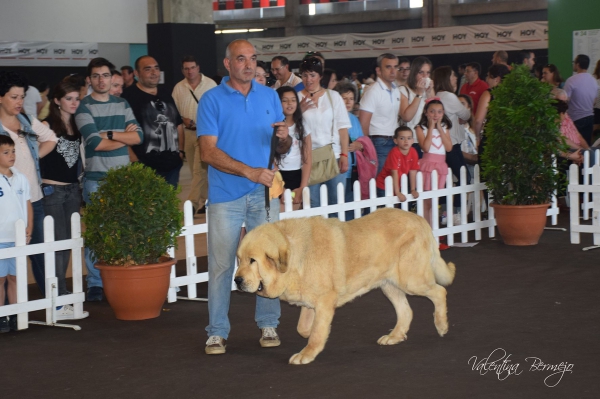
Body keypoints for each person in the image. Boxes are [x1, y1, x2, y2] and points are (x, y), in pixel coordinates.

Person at [197, 39, 292, 355]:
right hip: (226, 195)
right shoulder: (211, 100)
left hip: (264, 194)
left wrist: (284, 139)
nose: (249, 64)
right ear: (228, 64)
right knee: (223, 265)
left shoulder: (269, 96)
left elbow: (279, 148)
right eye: (241, 59)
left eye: (253, 58)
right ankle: (217, 331)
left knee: (268, 261)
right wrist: (250, 171)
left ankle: (268, 324)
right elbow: (207, 152)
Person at [75, 58, 143, 302]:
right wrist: (125, 137)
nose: (101, 80)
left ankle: (121, 276)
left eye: (105, 75)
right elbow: (95, 143)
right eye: (96, 76)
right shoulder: (84, 108)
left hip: (123, 179)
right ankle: (95, 283)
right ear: (89, 80)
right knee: (97, 234)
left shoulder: (122, 103)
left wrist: (111, 134)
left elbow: (139, 138)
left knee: (124, 231)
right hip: (96, 179)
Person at [0, 71, 58, 296]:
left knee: (42, 255)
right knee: (6, 262)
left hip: (34, 200)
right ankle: (8, 313)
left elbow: (51, 138)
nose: (19, 102)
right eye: (14, 97)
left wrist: (32, 160)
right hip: (6, 205)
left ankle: (54, 304)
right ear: (1, 98)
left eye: (22, 97)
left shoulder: (26, 120)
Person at [39, 80, 84, 302]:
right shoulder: (46, 126)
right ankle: (58, 293)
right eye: (69, 98)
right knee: (57, 242)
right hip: (52, 191)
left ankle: (62, 292)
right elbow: (33, 155)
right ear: (57, 101)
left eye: (77, 98)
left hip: (72, 190)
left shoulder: (77, 126)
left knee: (68, 242)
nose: (74, 102)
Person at [298, 57, 351, 214]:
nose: (309, 79)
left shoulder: (333, 96)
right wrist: (298, 112)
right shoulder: (296, 98)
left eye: (313, 75)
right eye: (305, 75)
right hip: (308, 159)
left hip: (333, 155)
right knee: (313, 205)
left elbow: (343, 128)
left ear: (320, 76)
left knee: (337, 203)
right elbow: (290, 128)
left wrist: (344, 155)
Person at [122, 56, 184, 188]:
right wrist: (134, 161)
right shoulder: (128, 97)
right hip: (145, 167)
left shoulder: (166, 92)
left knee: (169, 206)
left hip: (172, 166)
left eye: (156, 68)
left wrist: (181, 151)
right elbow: (122, 132)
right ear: (137, 73)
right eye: (148, 69)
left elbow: (178, 123)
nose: (154, 72)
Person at [172, 55, 217, 214]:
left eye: (192, 67)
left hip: (206, 133)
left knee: (199, 169)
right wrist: (182, 119)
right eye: (186, 68)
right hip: (187, 134)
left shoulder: (210, 85)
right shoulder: (179, 88)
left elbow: (217, 109)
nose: (190, 71)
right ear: (182, 70)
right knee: (195, 170)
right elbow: (173, 112)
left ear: (198, 68)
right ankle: (205, 201)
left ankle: (191, 203)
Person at [0, 135, 33, 333]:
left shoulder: (20, 177)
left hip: (18, 238)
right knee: (0, 279)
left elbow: (27, 203)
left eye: (13, 151)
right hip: (1, 238)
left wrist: (30, 227)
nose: (11, 155)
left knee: (15, 277)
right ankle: (2, 315)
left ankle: (15, 314)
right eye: (6, 152)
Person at [359, 53, 400, 175]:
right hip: (379, 142)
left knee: (393, 183)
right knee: (382, 183)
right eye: (388, 67)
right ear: (378, 70)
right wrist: (368, 148)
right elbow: (363, 124)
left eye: (395, 67)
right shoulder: (373, 91)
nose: (393, 71)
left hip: (395, 140)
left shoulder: (396, 89)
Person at [415, 98, 453, 226]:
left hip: (440, 166)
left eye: (439, 112)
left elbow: (449, 147)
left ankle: (433, 227)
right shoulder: (421, 128)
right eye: (432, 111)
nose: (436, 115)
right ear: (426, 112)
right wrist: (431, 128)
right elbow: (425, 147)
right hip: (428, 165)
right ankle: (427, 228)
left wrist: (440, 129)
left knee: (435, 200)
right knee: (426, 200)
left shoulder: (445, 127)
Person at [434, 66, 471, 186]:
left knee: (444, 179)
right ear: (446, 78)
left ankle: (446, 204)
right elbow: (466, 114)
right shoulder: (448, 96)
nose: (456, 78)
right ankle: (458, 205)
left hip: (442, 143)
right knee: (465, 178)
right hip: (452, 142)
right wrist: (463, 115)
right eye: (453, 75)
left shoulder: (438, 95)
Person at [276, 86, 311, 207]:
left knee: (296, 217)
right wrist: (280, 186)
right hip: (277, 175)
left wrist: (302, 187)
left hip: (296, 175)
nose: (289, 103)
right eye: (284, 100)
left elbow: (307, 159)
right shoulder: (274, 125)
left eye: (293, 100)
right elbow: (269, 158)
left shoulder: (302, 125)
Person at [473, 64, 511, 171]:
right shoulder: (511, 95)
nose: (486, 79)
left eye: (489, 76)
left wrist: (477, 137)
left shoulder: (489, 94)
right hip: (508, 139)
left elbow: (478, 120)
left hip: (491, 139)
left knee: (487, 176)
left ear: (497, 79)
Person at [334, 82, 364, 219]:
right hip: (337, 167)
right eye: (344, 98)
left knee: (351, 206)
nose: (348, 102)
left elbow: (363, 142)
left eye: (351, 99)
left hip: (353, 170)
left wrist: (359, 145)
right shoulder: (332, 117)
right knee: (336, 205)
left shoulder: (354, 119)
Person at [399, 56, 435, 152]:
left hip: (429, 138)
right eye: (421, 72)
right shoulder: (403, 90)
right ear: (414, 73)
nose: (425, 76)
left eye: (427, 73)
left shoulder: (429, 90)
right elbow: (406, 117)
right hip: (412, 141)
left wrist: (429, 93)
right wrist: (419, 94)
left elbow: (436, 114)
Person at [375, 126, 419, 203]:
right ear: (395, 141)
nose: (406, 141)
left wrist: (413, 189)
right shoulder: (394, 152)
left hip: (399, 184)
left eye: (409, 138)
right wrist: (397, 192)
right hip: (384, 185)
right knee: (386, 209)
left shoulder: (413, 151)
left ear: (412, 140)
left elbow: (413, 171)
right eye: (402, 138)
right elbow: (394, 172)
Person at [564, 54, 599, 145]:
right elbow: (594, 101)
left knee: (574, 146)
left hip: (576, 118)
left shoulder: (571, 80)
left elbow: (564, 100)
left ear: (578, 64)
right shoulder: (593, 81)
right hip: (590, 118)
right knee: (586, 146)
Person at [593, 59, 600, 134]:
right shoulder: (594, 78)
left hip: (595, 107)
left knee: (594, 129)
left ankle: (590, 145)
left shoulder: (593, 78)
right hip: (596, 107)